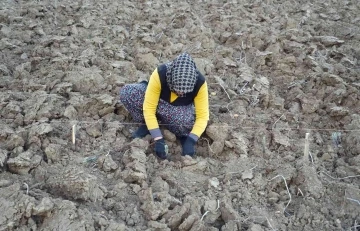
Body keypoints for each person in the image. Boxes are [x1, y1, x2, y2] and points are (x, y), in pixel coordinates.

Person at [119, 53, 209, 159]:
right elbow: (149, 109)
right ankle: (148, 124)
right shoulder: (161, 74)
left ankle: (180, 134)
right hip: (157, 101)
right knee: (128, 93)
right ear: (171, 79)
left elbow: (202, 117)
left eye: (184, 91)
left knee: (184, 122)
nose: (181, 93)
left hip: (177, 110)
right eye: (177, 89)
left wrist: (191, 140)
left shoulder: (200, 83)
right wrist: (158, 139)